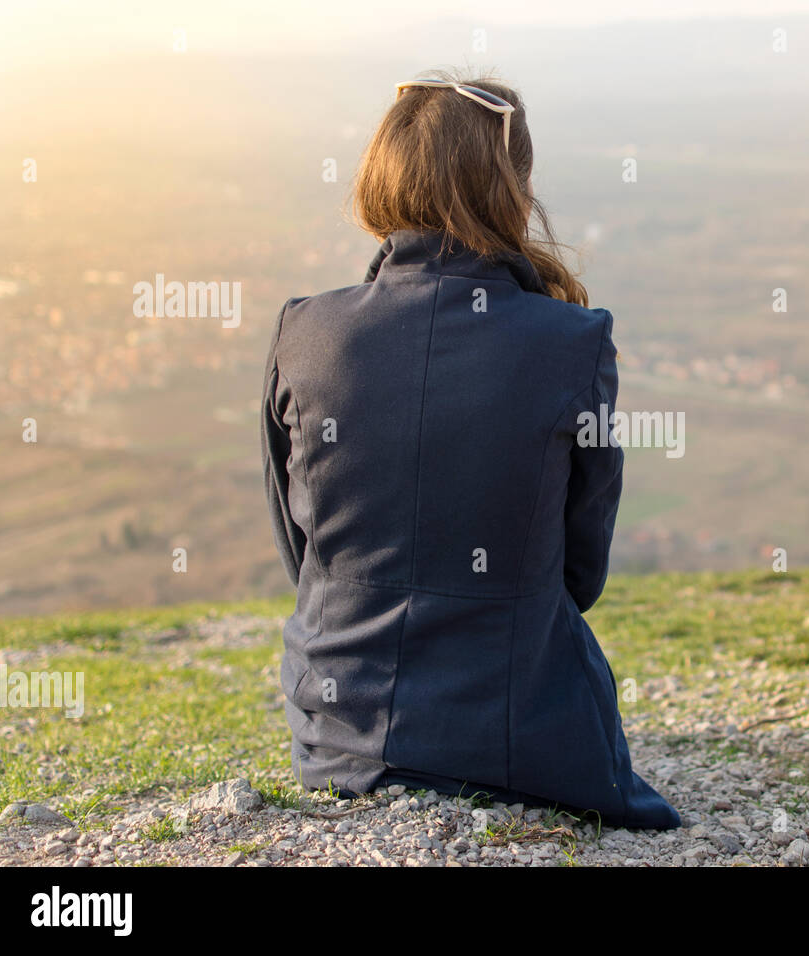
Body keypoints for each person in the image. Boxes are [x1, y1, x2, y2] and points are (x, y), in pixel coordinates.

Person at [260, 70, 680, 830]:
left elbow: (306, 559)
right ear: (511, 190)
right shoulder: (573, 343)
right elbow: (581, 572)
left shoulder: (304, 331)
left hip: (339, 741)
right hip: (527, 740)